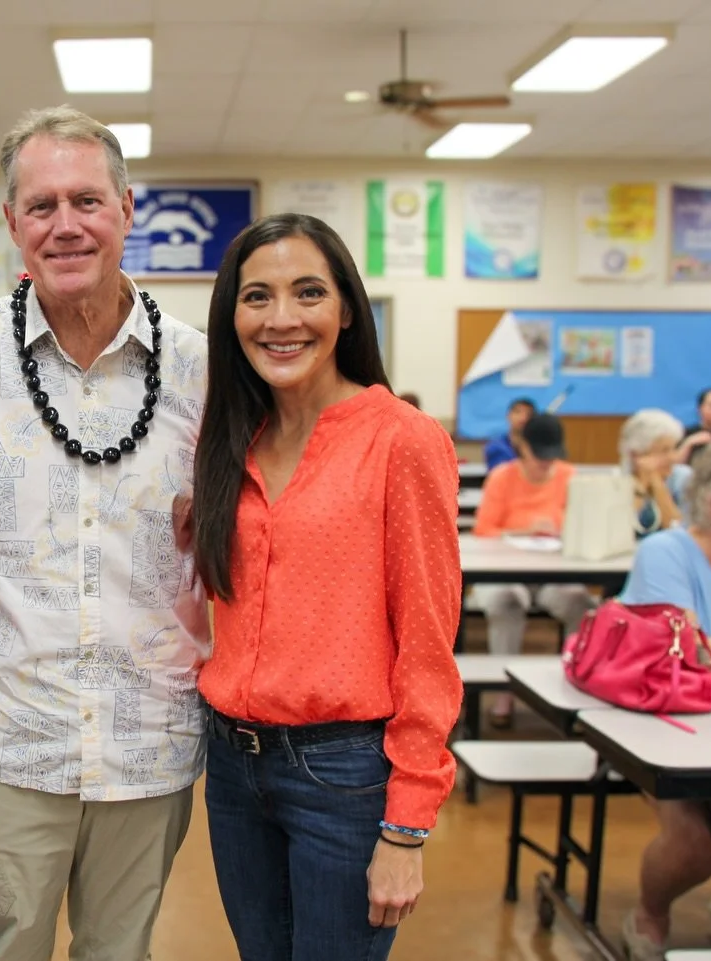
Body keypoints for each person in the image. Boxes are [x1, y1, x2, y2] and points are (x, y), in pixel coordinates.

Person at [0, 106, 209, 961]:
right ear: (13, 223)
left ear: (128, 210)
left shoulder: (208, 371)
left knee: (120, 952)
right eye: (42, 205)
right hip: (3, 740)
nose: (67, 224)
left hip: (152, 737)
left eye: (88, 201)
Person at [188, 213, 462, 960]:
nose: (282, 319)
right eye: (256, 297)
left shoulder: (400, 438)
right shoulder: (229, 438)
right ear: (231, 316)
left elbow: (430, 642)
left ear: (345, 310)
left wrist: (406, 825)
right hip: (233, 767)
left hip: (344, 773)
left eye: (308, 292)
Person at [617, 434, 711, 961]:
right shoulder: (667, 552)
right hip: (657, 719)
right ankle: (651, 913)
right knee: (703, 835)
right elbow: (686, 652)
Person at [470, 413, 598, 726]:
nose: (545, 463)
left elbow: (584, 525)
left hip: (553, 572)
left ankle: (573, 692)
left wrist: (563, 530)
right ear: (522, 447)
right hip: (504, 569)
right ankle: (503, 693)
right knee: (506, 602)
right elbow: (483, 528)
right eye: (539, 455)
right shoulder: (502, 477)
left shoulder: (570, 476)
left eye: (551, 456)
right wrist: (523, 531)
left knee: (581, 604)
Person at [619, 408, 692, 537]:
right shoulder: (620, 481)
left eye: (674, 448)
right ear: (636, 455)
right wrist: (641, 486)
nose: (673, 457)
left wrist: (657, 484)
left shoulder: (684, 478)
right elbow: (619, 532)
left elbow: (678, 531)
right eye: (664, 451)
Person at [483, 397, 536, 471]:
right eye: (518, 412)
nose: (523, 418)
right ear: (508, 415)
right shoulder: (496, 447)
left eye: (528, 414)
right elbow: (500, 474)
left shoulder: (540, 446)